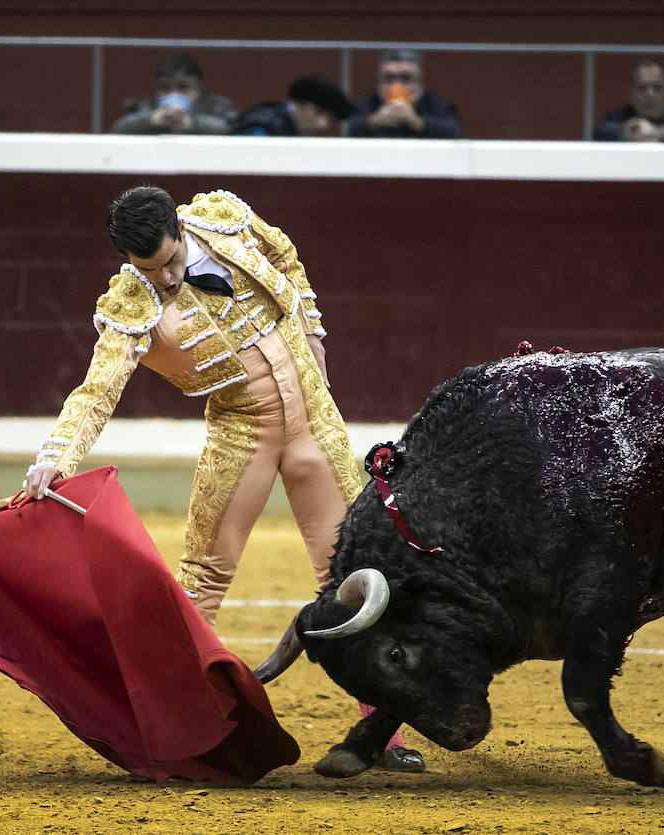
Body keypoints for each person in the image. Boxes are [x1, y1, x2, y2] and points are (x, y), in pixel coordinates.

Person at [21, 186, 425, 772]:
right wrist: (56, 456)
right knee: (202, 577)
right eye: (147, 269)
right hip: (243, 432)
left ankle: (382, 731)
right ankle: (172, 727)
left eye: (169, 262)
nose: (163, 279)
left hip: (317, 420)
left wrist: (311, 327)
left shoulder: (222, 218)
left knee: (351, 571)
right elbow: (97, 390)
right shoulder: (132, 303)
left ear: (181, 232)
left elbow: (285, 255)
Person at [345, 49, 461, 138]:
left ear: (419, 83)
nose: (396, 85)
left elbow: (453, 131)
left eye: (406, 78)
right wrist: (373, 122)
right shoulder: (366, 104)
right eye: (389, 78)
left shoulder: (436, 105)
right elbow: (349, 129)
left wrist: (418, 122)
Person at [110, 54, 238, 135]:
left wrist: (193, 124)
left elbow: (231, 130)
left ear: (199, 89)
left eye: (183, 87)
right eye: (164, 88)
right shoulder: (147, 106)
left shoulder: (219, 106)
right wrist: (151, 121)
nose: (173, 94)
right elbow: (119, 128)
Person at [231, 75, 356, 137]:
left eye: (329, 118)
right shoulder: (264, 125)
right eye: (318, 113)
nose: (323, 124)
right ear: (299, 104)